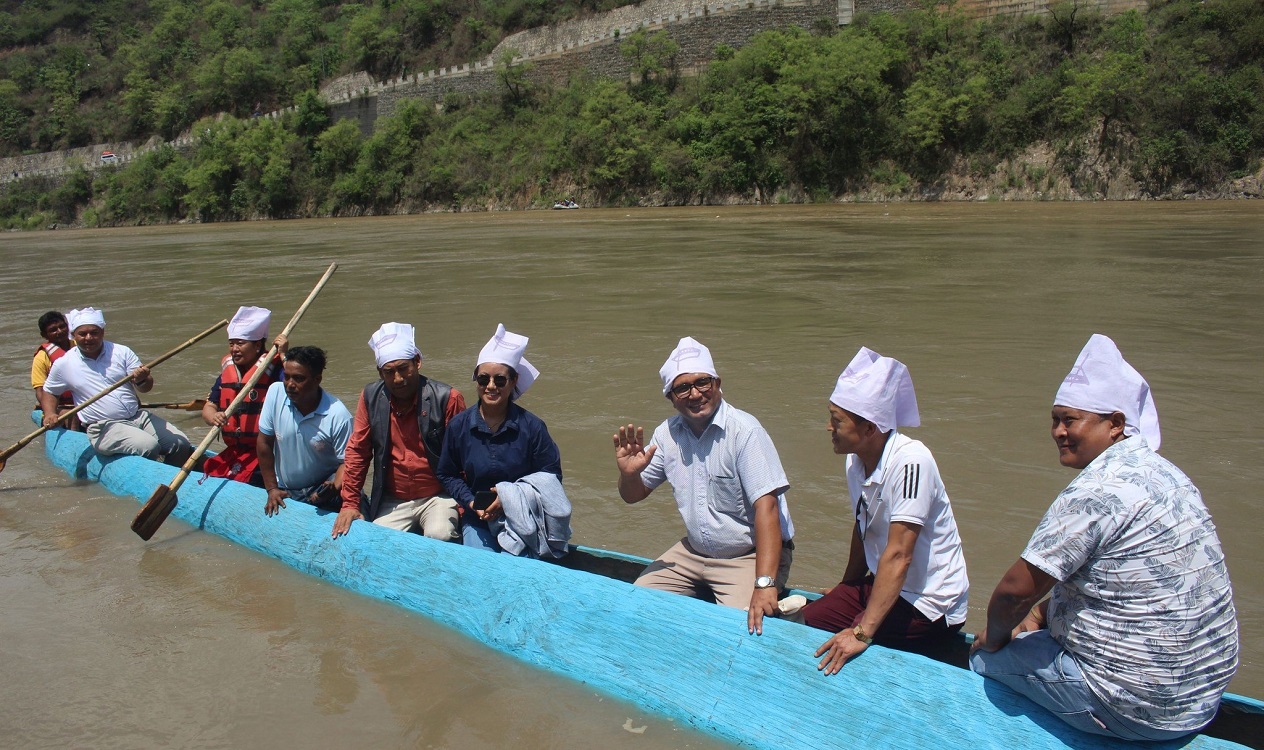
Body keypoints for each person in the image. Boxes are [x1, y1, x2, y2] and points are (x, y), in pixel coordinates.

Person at [970, 334, 1239, 741]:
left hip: (1141, 710)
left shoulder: (1095, 491)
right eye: (1054, 419)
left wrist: (993, 639)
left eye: (1070, 420)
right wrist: (1042, 615)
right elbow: (1123, 576)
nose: (1059, 431)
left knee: (982, 661)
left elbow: (1013, 593)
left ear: (1115, 424)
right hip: (1203, 697)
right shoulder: (1168, 474)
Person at [800, 347, 969, 675]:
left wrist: (862, 632)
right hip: (882, 583)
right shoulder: (855, 460)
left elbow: (899, 555)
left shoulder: (911, 462)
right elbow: (864, 524)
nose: (828, 427)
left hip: (928, 604)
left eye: (837, 420)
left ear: (870, 429)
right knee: (806, 621)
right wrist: (847, 586)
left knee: (843, 640)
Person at [613, 336, 794, 635]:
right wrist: (630, 474)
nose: (695, 393)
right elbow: (632, 496)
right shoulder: (666, 435)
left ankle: (785, 612)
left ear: (718, 383)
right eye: (682, 387)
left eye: (703, 383)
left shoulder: (745, 432)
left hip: (747, 556)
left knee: (742, 633)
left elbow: (768, 509)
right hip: (693, 553)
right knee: (635, 605)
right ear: (670, 397)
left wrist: (764, 584)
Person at [436, 324, 565, 555]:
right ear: (476, 380)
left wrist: (508, 499)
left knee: (518, 570)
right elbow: (447, 473)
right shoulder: (459, 426)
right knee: (480, 566)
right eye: (484, 379)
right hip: (478, 517)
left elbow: (552, 476)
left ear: (514, 381)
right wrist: (471, 501)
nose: (491, 386)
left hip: (526, 517)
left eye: (500, 380)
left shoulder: (532, 427)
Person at [331, 323, 466, 540]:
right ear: (380, 373)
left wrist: (464, 505)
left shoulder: (447, 398)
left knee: (440, 534)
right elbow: (358, 452)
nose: (398, 379)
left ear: (418, 362)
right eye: (389, 372)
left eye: (404, 368)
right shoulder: (370, 397)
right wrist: (349, 504)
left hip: (437, 496)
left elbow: (464, 457)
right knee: (371, 542)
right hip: (394, 499)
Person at [39, 307, 192, 464]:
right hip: (102, 427)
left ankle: (171, 477)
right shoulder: (64, 363)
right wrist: (50, 413)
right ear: (74, 336)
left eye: (94, 332)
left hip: (138, 416)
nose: (89, 338)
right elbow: (50, 391)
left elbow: (145, 388)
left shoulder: (121, 352)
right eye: (82, 334)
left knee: (180, 443)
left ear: (102, 332)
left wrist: (142, 379)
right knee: (148, 446)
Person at [257, 346, 352, 516]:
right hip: (287, 488)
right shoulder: (275, 393)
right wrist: (271, 488)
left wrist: (335, 486)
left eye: (299, 379)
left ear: (317, 379)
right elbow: (264, 442)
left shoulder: (338, 414)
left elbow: (348, 463)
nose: (290, 385)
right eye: (286, 377)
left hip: (323, 487)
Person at [201, 306, 286, 486]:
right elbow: (209, 406)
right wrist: (213, 416)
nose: (234, 349)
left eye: (240, 343)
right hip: (235, 450)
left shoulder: (275, 370)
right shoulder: (227, 372)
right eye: (231, 344)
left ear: (257, 345)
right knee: (208, 469)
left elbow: (298, 391)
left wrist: (284, 355)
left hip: (267, 451)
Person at [31, 311, 77, 421]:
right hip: (60, 405)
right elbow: (40, 390)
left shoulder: (79, 346)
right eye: (53, 330)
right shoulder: (41, 357)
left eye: (62, 327)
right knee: (71, 416)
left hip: (84, 399)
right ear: (44, 335)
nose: (60, 331)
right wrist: (49, 412)